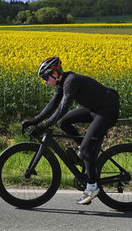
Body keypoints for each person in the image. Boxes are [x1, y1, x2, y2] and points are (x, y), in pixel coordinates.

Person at [21, 56, 120, 205]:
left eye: (46, 77)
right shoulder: (62, 83)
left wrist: (43, 126)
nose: (45, 81)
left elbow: (63, 108)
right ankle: (84, 149)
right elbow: (53, 105)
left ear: (55, 73)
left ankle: (92, 187)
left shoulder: (71, 81)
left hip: (107, 109)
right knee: (63, 122)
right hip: (96, 108)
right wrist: (34, 121)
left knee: (87, 148)